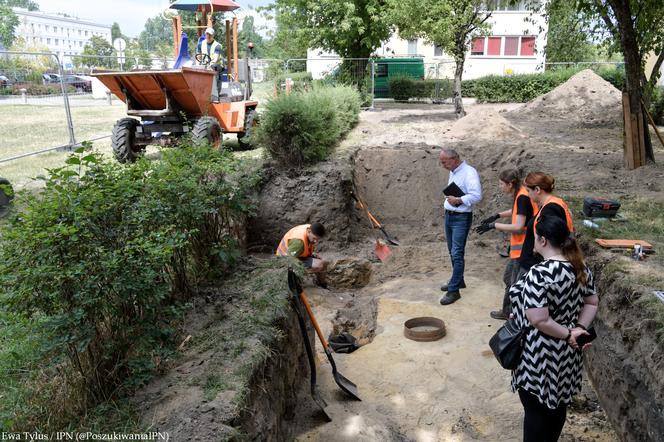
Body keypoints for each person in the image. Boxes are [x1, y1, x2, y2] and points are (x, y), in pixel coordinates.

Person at [508, 215, 598, 442]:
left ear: (543, 240)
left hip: (539, 356)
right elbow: (591, 302)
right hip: (567, 354)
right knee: (557, 407)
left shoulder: (540, 274)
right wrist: (577, 329)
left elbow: (539, 320)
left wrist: (568, 333)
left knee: (535, 412)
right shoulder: (581, 267)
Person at [475, 169, 538, 320]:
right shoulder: (521, 194)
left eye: (501, 184)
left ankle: (512, 315)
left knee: (514, 283)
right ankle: (508, 311)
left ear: (510, 184)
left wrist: (493, 226)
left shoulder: (522, 196)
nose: (500, 187)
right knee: (508, 279)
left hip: (524, 249)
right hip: (520, 248)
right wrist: (497, 215)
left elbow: (518, 226)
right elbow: (518, 211)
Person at [439, 149, 482, 305]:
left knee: (457, 253)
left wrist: (458, 200)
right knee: (452, 251)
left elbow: (476, 195)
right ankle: (459, 280)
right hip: (450, 216)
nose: (442, 165)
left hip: (461, 218)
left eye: (444, 162)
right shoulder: (454, 171)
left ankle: (454, 290)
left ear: (454, 159)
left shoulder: (469, 173)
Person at [518, 172, 574, 274]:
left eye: (528, 191)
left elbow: (550, 242)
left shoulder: (550, 210)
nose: (527, 194)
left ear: (538, 190)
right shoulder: (555, 203)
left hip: (535, 265)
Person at [196, 27, 223, 101]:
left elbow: (215, 59)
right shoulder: (200, 44)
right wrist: (198, 66)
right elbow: (198, 56)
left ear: (213, 35)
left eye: (210, 34)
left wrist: (210, 66)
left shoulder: (217, 45)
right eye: (207, 34)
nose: (208, 36)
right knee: (196, 68)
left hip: (216, 65)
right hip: (206, 65)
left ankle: (215, 95)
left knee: (214, 67)